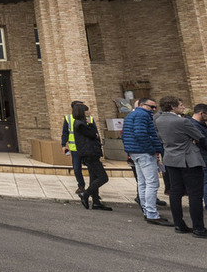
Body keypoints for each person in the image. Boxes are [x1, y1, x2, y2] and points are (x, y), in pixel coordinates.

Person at [155, 96, 207, 236]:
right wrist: (193, 140)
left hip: (171, 159)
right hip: (188, 160)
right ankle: (198, 228)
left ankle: (179, 224)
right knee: (195, 194)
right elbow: (200, 138)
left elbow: (161, 138)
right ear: (173, 106)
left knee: (175, 192)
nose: (183, 107)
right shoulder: (182, 121)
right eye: (180, 104)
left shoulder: (158, 120)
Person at [121, 97, 170, 225]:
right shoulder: (142, 115)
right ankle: (152, 214)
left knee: (143, 183)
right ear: (142, 105)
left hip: (135, 152)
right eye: (151, 107)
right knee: (152, 183)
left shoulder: (131, 115)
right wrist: (152, 149)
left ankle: (147, 211)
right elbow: (140, 134)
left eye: (155, 107)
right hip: (144, 153)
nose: (153, 110)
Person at [73, 102, 111, 210]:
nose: (89, 112)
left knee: (93, 177)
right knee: (103, 178)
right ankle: (85, 194)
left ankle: (96, 202)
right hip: (89, 154)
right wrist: (90, 125)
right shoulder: (80, 124)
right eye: (87, 110)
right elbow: (93, 134)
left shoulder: (81, 123)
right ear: (82, 112)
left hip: (90, 153)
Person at [61, 100, 87, 195]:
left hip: (87, 148)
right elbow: (65, 133)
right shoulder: (68, 119)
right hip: (75, 149)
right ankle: (81, 186)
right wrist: (63, 145)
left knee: (93, 169)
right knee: (76, 168)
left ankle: (93, 189)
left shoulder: (89, 119)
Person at [191, 103, 207, 204]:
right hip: (202, 158)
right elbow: (203, 142)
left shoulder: (200, 125)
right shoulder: (194, 125)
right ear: (202, 113)